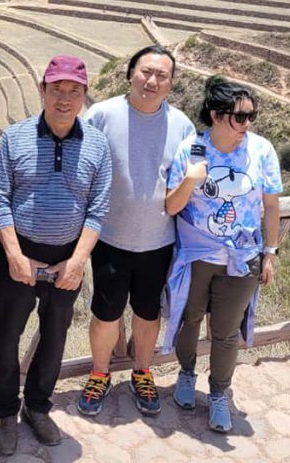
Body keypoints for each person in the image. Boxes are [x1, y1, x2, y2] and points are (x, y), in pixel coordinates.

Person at [0, 55, 112, 455]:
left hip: (68, 257)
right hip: (20, 255)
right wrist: (14, 255)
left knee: (55, 337)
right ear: (42, 91)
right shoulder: (14, 137)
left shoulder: (96, 143)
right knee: (7, 338)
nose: (64, 98)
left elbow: (98, 206)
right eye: (56, 89)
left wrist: (77, 262)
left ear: (83, 96)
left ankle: (37, 408)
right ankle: (7, 413)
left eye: (73, 91)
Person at [77, 46, 195, 417]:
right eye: (146, 72)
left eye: (162, 75)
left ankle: (142, 373)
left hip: (159, 241)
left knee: (147, 314)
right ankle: (100, 374)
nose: (152, 81)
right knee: (106, 314)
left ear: (171, 83)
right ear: (130, 74)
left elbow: (189, 183)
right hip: (110, 238)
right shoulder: (101, 115)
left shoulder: (182, 126)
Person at [162, 75, 282, 433]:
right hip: (196, 253)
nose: (247, 124)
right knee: (189, 317)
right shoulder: (191, 150)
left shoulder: (262, 150)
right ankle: (186, 373)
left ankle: (218, 393)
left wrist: (270, 252)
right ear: (216, 115)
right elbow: (171, 207)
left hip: (243, 257)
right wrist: (190, 180)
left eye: (251, 116)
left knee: (227, 332)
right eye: (239, 116)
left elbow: (272, 205)